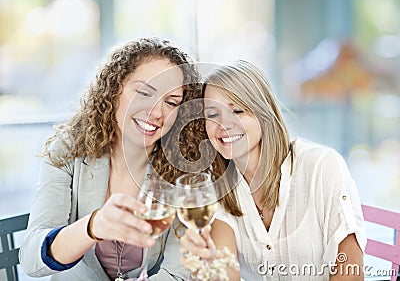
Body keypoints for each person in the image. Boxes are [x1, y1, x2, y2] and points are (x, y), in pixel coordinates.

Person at [19, 37, 204, 280]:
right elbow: (32, 259)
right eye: (144, 92)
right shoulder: (68, 150)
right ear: (115, 89)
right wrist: (93, 227)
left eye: (171, 102)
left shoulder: (186, 166)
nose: (156, 112)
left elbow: (178, 273)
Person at [180, 60, 366, 280]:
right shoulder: (219, 189)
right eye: (212, 115)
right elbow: (226, 273)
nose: (224, 124)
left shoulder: (321, 166)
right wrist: (209, 268)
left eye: (238, 110)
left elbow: (351, 272)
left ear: (263, 112)